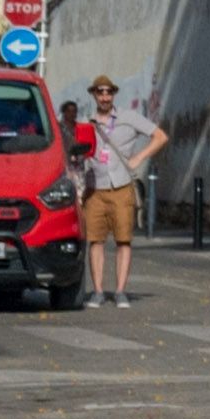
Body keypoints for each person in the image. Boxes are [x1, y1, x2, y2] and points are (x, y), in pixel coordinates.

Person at [70, 77, 165, 307]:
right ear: (94, 94)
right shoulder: (85, 123)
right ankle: (99, 292)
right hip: (95, 189)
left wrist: (138, 158)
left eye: (109, 92)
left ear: (113, 94)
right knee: (96, 241)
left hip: (122, 187)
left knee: (124, 240)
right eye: (100, 92)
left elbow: (160, 137)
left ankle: (121, 291)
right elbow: (75, 153)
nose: (105, 96)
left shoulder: (128, 118)